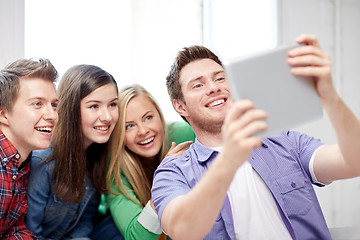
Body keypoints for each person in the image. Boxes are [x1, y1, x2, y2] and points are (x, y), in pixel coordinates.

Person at [151, 34, 360, 239]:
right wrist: (229, 159)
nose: (214, 88)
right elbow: (182, 229)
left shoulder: (285, 142)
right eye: (198, 84)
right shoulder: (172, 172)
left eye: (220, 78)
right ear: (181, 106)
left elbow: (354, 161)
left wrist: (329, 96)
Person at [24, 64, 119, 239]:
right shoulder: (42, 160)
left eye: (113, 104)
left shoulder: (96, 154)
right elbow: (30, 232)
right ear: (71, 109)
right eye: (94, 106)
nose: (107, 116)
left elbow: (84, 221)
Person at [91, 84, 192, 240]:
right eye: (129, 126)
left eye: (148, 118)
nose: (143, 131)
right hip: (118, 229)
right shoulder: (114, 168)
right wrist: (164, 182)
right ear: (119, 135)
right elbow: (136, 237)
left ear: (159, 115)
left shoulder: (186, 135)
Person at [0, 58, 58, 239]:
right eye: (37, 104)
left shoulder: (21, 161)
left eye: (54, 105)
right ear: (3, 114)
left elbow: (13, 230)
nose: (52, 115)